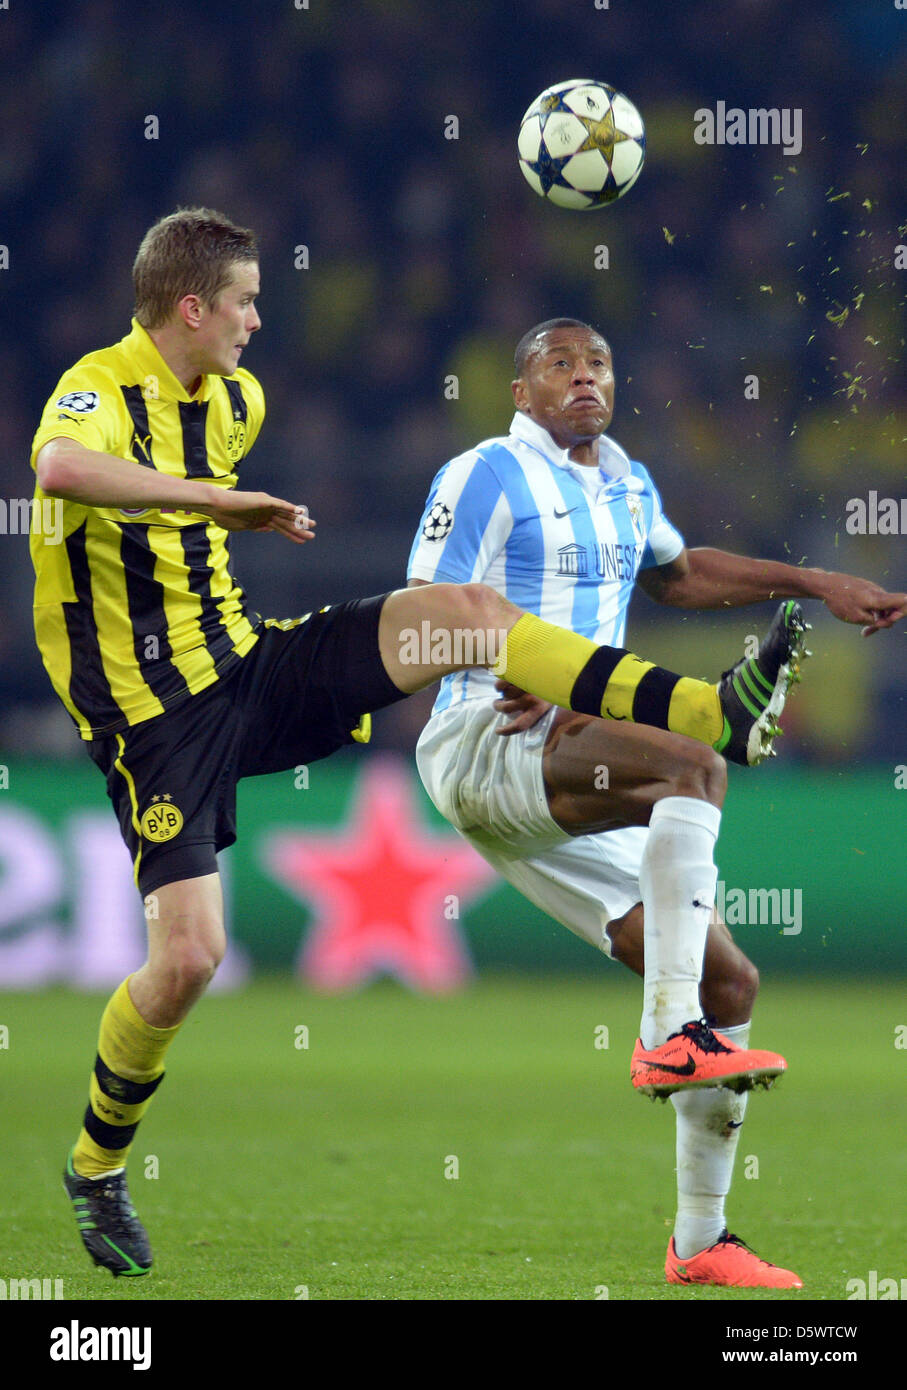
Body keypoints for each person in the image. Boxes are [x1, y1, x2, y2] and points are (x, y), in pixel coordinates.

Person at [29, 213, 799, 1280]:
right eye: (246, 300)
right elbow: (61, 473)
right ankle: (95, 1164)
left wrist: (523, 672)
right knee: (189, 958)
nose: (259, 320)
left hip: (251, 669)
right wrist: (217, 501)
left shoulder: (234, 401)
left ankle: (704, 712)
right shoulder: (98, 387)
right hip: (154, 722)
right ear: (191, 307)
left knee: (464, 609)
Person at [407, 316, 907, 1288]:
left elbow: (675, 574)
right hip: (485, 739)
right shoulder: (483, 476)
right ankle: (662, 1036)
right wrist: (509, 659)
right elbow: (420, 613)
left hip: (564, 761)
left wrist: (810, 582)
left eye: (597, 363)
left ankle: (697, 1238)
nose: (583, 376)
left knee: (731, 987)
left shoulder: (626, 480)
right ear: (520, 391)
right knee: (697, 763)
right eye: (558, 364)